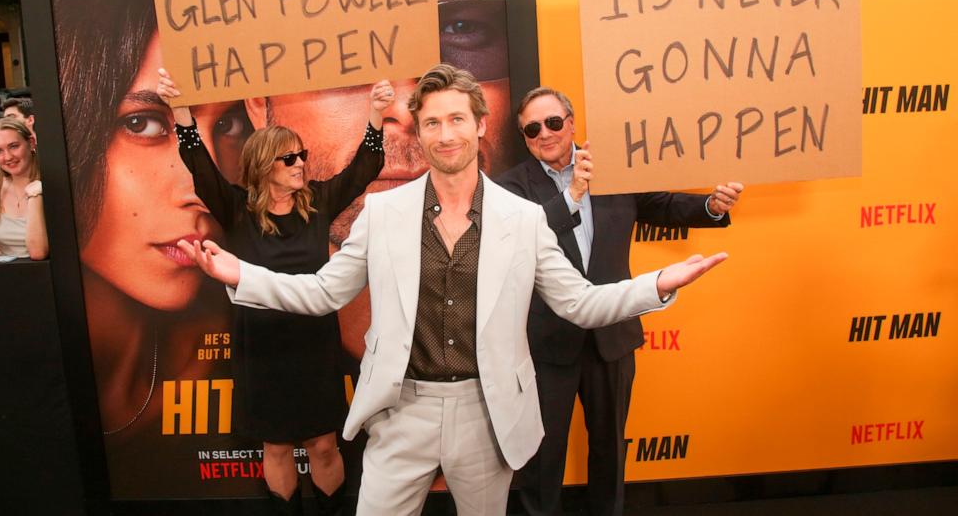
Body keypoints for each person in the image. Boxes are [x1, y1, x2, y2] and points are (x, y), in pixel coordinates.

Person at [178, 64, 728, 516]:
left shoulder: (524, 216)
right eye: (433, 122)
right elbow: (323, 292)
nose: (447, 134)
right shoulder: (383, 212)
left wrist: (656, 285)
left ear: (481, 124)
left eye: (458, 119)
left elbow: (579, 301)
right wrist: (239, 276)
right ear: (419, 132)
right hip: (402, 410)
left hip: (486, 414)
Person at [244, 0, 520, 361]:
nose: (405, 110)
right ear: (258, 103)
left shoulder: (527, 225)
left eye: (460, 29)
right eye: (341, 45)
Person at [52, 0, 255, 497]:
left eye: (230, 125)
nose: (202, 184)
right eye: (142, 123)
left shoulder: (243, 347)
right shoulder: (15, 372)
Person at [495, 87, 744, 516]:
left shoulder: (612, 170)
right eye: (532, 128)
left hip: (611, 338)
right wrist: (571, 193)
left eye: (553, 122)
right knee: (541, 456)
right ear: (525, 137)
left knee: (610, 449)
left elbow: (661, 205)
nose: (545, 133)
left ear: (571, 123)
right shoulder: (511, 187)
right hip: (546, 344)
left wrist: (711, 205)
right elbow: (520, 240)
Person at [157, 70, 394, 515]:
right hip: (262, 350)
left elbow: (365, 168)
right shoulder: (236, 209)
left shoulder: (319, 202)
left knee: (324, 445)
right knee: (278, 447)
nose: (301, 164)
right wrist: (180, 111)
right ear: (264, 166)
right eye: (290, 159)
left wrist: (376, 114)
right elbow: (199, 165)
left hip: (313, 346)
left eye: (301, 155)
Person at [0, 118, 48, 259]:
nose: (8, 157)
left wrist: (35, 196)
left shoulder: (52, 186)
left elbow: (38, 252)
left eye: (13, 146)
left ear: (31, 143)